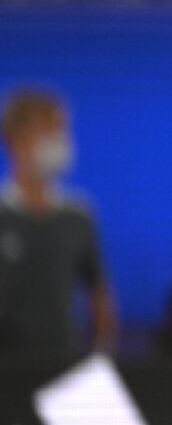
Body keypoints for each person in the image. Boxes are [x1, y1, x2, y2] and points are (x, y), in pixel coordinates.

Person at [0, 88, 117, 359]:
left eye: (62, 131)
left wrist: (101, 354)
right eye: (49, 131)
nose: (60, 142)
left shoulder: (79, 215)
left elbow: (98, 291)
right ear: (17, 140)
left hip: (63, 361)